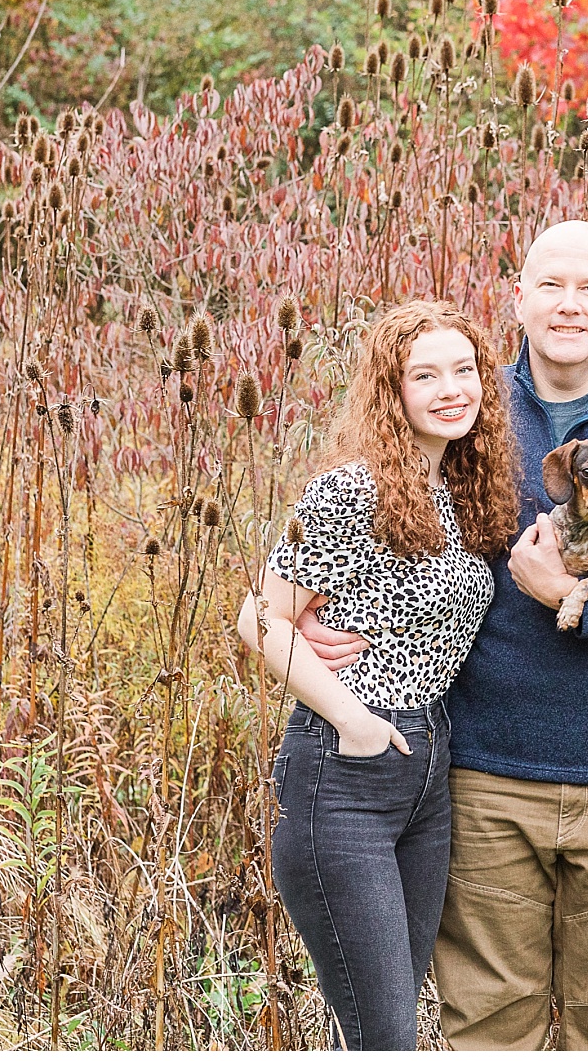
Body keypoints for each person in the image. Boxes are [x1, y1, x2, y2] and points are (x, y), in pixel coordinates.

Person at [296, 220, 588, 1050]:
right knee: (488, 1030)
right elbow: (385, 519)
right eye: (551, 286)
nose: (569, 305)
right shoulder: (470, 407)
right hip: (486, 777)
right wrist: (314, 615)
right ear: (519, 298)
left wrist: (578, 602)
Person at [236, 301, 520, 1050]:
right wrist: (354, 720)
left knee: (380, 1027)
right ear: (391, 391)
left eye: (464, 370)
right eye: (424, 375)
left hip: (429, 771)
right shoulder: (352, 491)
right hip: (346, 772)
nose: (451, 389)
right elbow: (259, 619)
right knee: (386, 1036)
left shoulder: (461, 494)